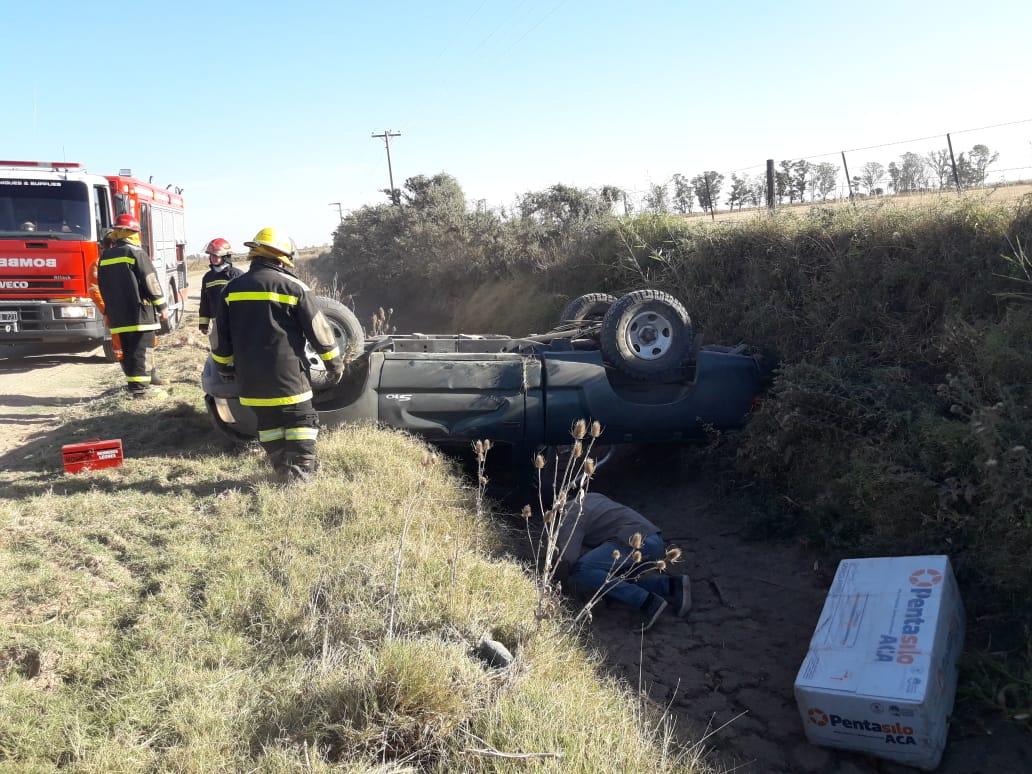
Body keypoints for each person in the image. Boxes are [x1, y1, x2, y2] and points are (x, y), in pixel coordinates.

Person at [212, 227, 344, 483]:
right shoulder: (294, 287)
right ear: (283, 257)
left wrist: (225, 368)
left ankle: (283, 470)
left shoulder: (232, 288)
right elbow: (320, 331)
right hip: (289, 376)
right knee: (302, 423)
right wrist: (334, 364)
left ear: (255, 254)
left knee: (269, 425)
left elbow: (219, 336)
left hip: (251, 381)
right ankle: (301, 476)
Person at [554, 493, 691, 631]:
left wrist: (555, 586)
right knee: (615, 580)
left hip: (633, 541)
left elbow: (568, 559)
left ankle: (647, 603)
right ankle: (672, 586)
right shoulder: (591, 496)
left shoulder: (569, 515)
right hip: (655, 540)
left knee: (581, 569)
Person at [96, 214, 168, 398]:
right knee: (142, 351)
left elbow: (102, 287)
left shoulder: (105, 256)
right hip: (140, 314)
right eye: (136, 232)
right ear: (131, 233)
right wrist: (162, 306)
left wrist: (107, 311)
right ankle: (141, 391)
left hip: (119, 316)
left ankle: (134, 387)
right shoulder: (136, 253)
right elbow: (150, 280)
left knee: (128, 352)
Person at [197, 237, 242, 334]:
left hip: (235, 323)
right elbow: (204, 302)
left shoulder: (237, 275)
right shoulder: (208, 277)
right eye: (211, 255)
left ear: (225, 256)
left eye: (216, 255)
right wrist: (203, 324)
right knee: (219, 348)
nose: (213, 258)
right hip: (216, 323)